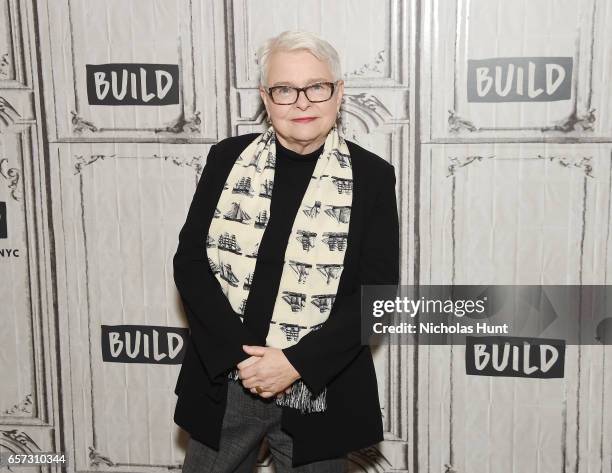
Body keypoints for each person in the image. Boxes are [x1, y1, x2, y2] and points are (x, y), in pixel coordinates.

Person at [172, 30, 399, 472]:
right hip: (227, 381)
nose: (302, 102)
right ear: (265, 96)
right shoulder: (226, 160)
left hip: (319, 389)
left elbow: (377, 297)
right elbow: (190, 263)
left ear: (338, 94)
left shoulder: (372, 177)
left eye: (316, 87)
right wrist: (244, 359)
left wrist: (294, 364)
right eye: (284, 89)